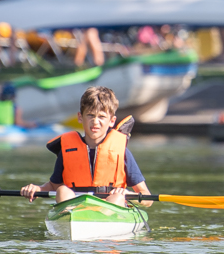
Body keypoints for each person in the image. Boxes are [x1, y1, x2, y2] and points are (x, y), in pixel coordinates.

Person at [20, 86, 151, 208]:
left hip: (111, 210)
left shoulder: (122, 153)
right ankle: (68, 216)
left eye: (101, 117)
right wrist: (37, 189)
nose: (95, 122)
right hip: (76, 208)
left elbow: (148, 199)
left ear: (112, 121)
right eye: (90, 115)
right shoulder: (66, 150)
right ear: (80, 117)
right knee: (62, 190)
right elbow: (53, 186)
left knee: (117, 197)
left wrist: (127, 194)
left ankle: (106, 218)